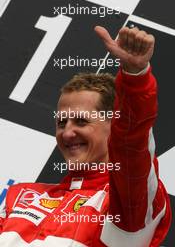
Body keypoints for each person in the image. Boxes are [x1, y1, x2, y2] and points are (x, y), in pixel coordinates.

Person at [0, 26, 171, 247]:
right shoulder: (18, 195)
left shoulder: (128, 208)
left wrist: (135, 77)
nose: (67, 132)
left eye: (81, 121)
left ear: (113, 125)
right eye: (62, 122)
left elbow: (132, 146)